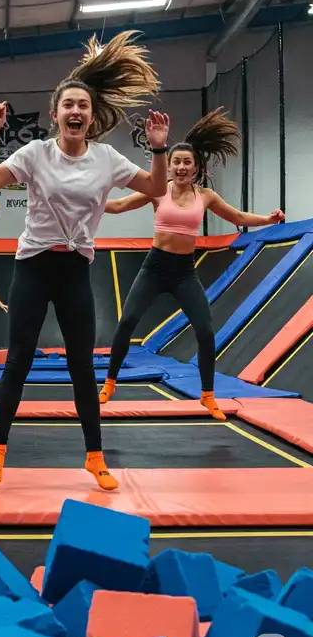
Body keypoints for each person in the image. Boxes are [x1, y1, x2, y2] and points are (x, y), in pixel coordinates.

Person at [0, 30, 169, 491]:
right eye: (69, 105)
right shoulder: (35, 153)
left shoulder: (107, 158)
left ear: (92, 115)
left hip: (75, 270)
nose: (76, 112)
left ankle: (95, 456)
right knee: (18, 358)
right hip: (34, 266)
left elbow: (157, 189)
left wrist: (159, 148)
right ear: (56, 114)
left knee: (82, 363)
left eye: (83, 105)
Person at [100, 107, 285, 419]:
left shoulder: (206, 196)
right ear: (168, 166)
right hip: (154, 267)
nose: (181, 167)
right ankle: (110, 381)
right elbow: (117, 206)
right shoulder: (158, 191)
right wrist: (86, 201)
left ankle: (208, 394)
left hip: (184, 271)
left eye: (187, 162)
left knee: (205, 330)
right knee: (127, 322)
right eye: (176, 162)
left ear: (196, 167)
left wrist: (268, 219)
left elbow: (238, 217)